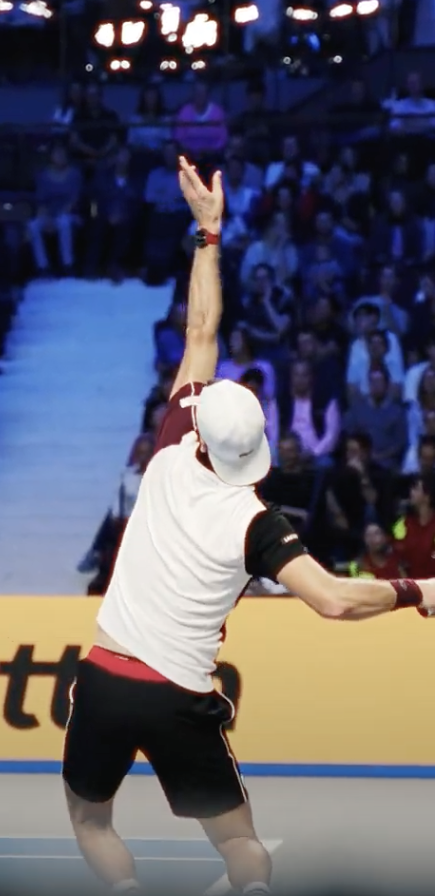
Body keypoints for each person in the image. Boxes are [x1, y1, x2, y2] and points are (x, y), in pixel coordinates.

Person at [61, 158, 434, 896]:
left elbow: (202, 326)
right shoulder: (255, 521)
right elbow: (330, 599)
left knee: (91, 824)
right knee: (245, 852)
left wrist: (209, 230)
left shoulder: (169, 447)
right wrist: (419, 590)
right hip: (180, 701)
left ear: (199, 425)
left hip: (104, 679)